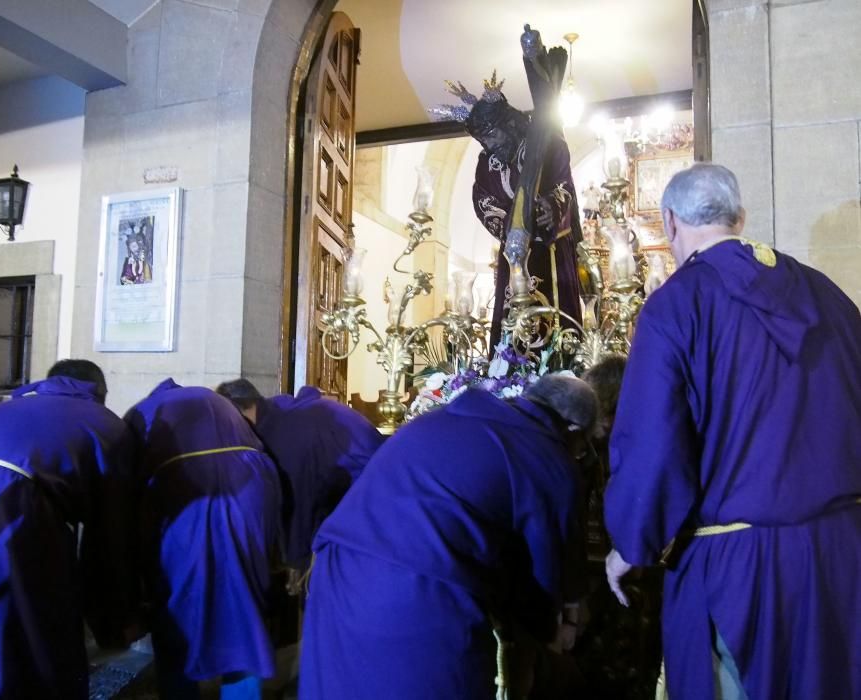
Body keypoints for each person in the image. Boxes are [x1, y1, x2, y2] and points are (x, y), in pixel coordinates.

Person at [604, 163, 861, 699]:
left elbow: (652, 447)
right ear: (740, 218)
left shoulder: (676, 306)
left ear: (669, 223)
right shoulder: (830, 297)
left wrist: (632, 541)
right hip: (841, 557)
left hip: (741, 573)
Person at [298, 374, 597, 699]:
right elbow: (545, 575)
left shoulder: (439, 419)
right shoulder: (547, 454)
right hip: (417, 597)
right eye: (584, 447)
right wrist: (555, 632)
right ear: (572, 430)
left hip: (338, 574)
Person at [0, 359, 140, 699]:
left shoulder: (1, 410)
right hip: (8, 512)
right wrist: (114, 620)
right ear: (99, 393)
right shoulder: (104, 422)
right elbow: (111, 532)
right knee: (29, 639)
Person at [125, 379, 281, 700]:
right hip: (251, 486)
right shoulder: (215, 400)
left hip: (185, 492)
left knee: (177, 602)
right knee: (242, 602)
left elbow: (128, 479)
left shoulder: (145, 410)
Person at [430, 25, 583, 350]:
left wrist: (549, 208)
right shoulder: (488, 163)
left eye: (493, 137)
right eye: (483, 141)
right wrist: (510, 226)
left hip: (552, 251)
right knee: (514, 337)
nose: (490, 146)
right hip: (515, 256)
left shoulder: (549, 145)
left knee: (556, 331)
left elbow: (564, 187)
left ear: (509, 125)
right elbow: (482, 199)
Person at [215, 379, 384, 571]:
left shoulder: (286, 435)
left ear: (236, 413)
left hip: (371, 515)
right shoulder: (279, 413)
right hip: (361, 502)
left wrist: (294, 568)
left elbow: (299, 504)